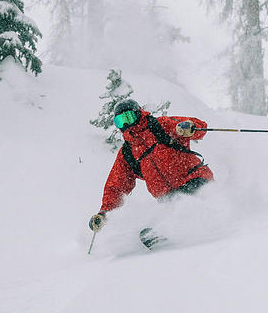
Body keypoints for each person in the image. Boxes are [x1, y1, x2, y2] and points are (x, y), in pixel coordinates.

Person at [88, 99, 214, 240]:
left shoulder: (160, 126)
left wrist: (189, 127)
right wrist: (104, 212)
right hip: (167, 197)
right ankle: (170, 235)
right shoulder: (128, 152)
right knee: (175, 212)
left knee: (188, 208)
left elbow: (199, 128)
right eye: (119, 121)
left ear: (138, 113)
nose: (125, 124)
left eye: (128, 117)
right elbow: (116, 184)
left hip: (194, 178)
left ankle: (211, 222)